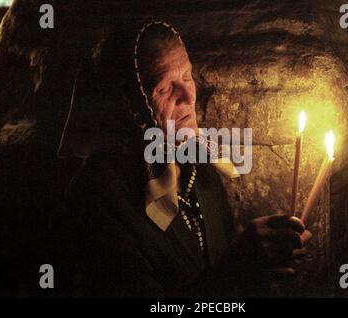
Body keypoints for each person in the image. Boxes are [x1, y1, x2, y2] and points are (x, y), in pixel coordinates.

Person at [55, 20, 311, 297]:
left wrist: (260, 267)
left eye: (187, 77)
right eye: (164, 89)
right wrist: (238, 266)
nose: (188, 97)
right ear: (127, 105)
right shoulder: (97, 201)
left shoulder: (200, 167)